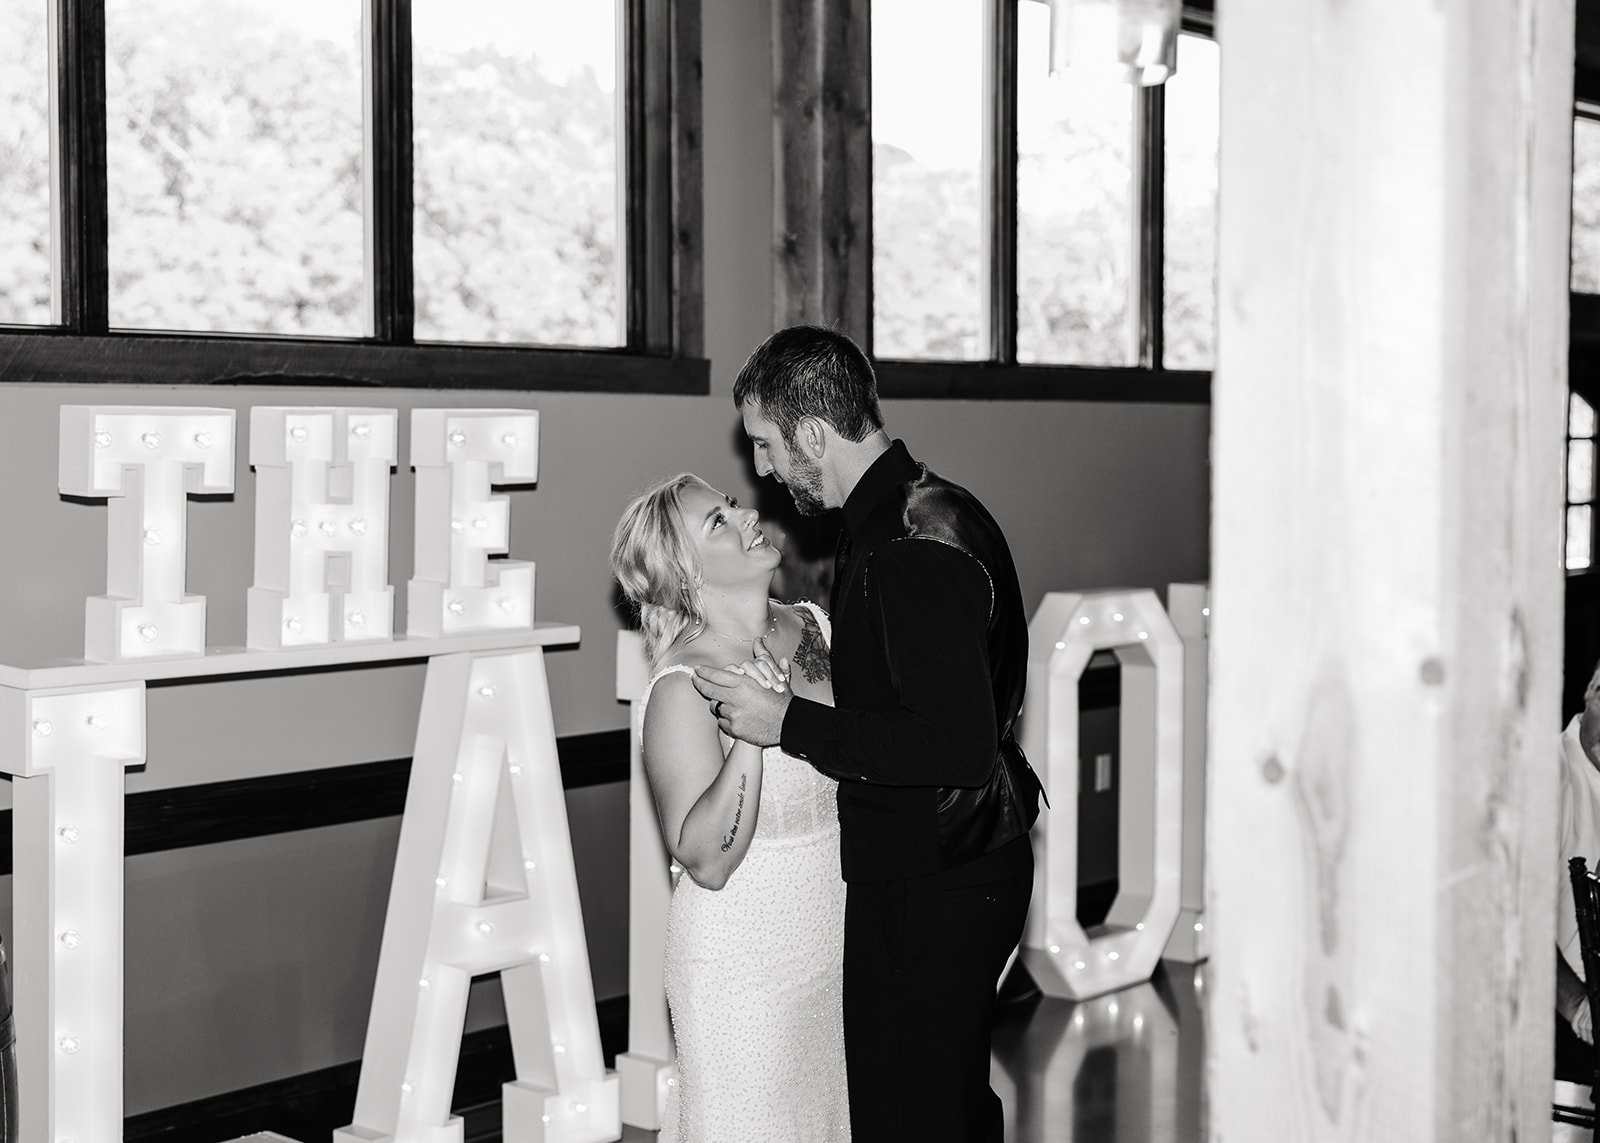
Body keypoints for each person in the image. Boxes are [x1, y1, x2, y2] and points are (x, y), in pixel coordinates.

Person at [692, 325, 1045, 1143]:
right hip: (958, 859)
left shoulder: (904, 546)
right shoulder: (919, 506)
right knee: (944, 1105)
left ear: (814, 434)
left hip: (938, 873)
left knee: (907, 1117)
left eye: (768, 445)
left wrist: (786, 722)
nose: (765, 471)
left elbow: (952, 744)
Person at [609, 473, 850, 1143]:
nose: (746, 516)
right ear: (685, 577)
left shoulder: (818, 629)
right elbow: (708, 861)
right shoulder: (682, 689)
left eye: (732, 505)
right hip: (743, 970)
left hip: (839, 943)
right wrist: (750, 734)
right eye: (718, 521)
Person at [1557, 662, 1600, 1046]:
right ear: (1588, 690)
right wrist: (1577, 1006)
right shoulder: (1548, 772)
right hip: (1566, 1018)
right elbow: (1515, 917)